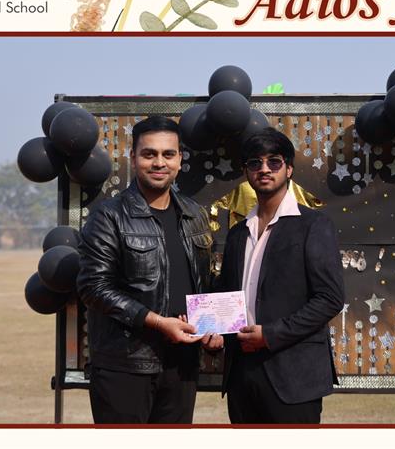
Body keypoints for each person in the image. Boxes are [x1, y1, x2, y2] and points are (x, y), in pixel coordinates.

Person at [76, 115, 214, 424]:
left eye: (168, 154)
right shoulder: (109, 216)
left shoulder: (195, 215)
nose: (159, 163)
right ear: (133, 157)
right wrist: (158, 322)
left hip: (182, 366)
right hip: (125, 366)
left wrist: (213, 326)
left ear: (180, 159)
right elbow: (93, 287)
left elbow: (206, 282)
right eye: (149, 154)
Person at [209, 127, 345, 424]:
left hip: (294, 376)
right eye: (255, 163)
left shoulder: (313, 225)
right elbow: (227, 296)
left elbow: (330, 298)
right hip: (242, 373)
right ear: (245, 171)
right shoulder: (237, 233)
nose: (264, 169)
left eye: (274, 161)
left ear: (289, 169)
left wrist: (269, 336)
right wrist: (210, 329)